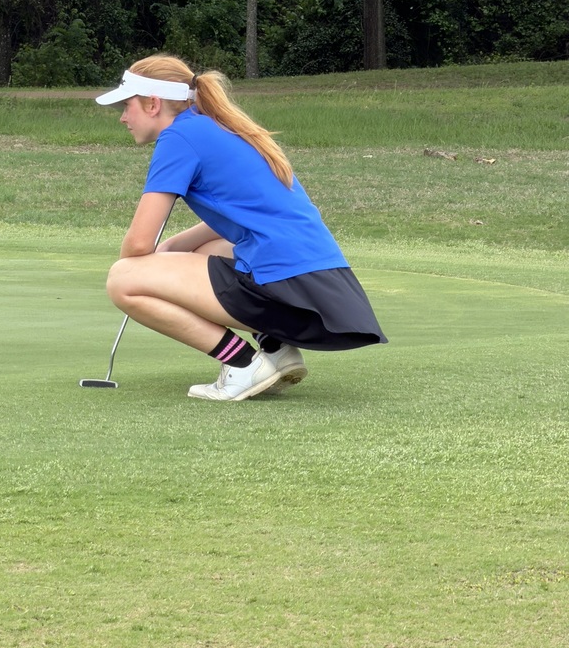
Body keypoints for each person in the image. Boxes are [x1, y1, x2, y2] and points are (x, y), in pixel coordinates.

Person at [95, 54, 387, 401]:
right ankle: (277, 349)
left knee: (124, 279)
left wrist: (151, 261)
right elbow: (244, 214)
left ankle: (244, 366)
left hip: (292, 293)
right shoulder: (215, 127)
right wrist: (175, 246)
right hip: (326, 295)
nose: (123, 118)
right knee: (205, 251)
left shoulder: (178, 139)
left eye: (126, 106)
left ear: (153, 104)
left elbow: (137, 247)